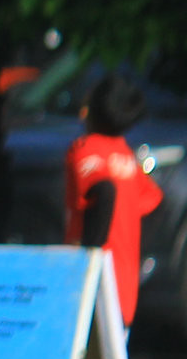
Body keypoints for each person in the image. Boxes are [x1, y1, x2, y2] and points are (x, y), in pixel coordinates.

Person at [63, 73, 162, 325]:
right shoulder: (126, 156)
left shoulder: (85, 149)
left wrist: (90, 253)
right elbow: (153, 199)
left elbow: (104, 191)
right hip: (125, 292)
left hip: (94, 290)